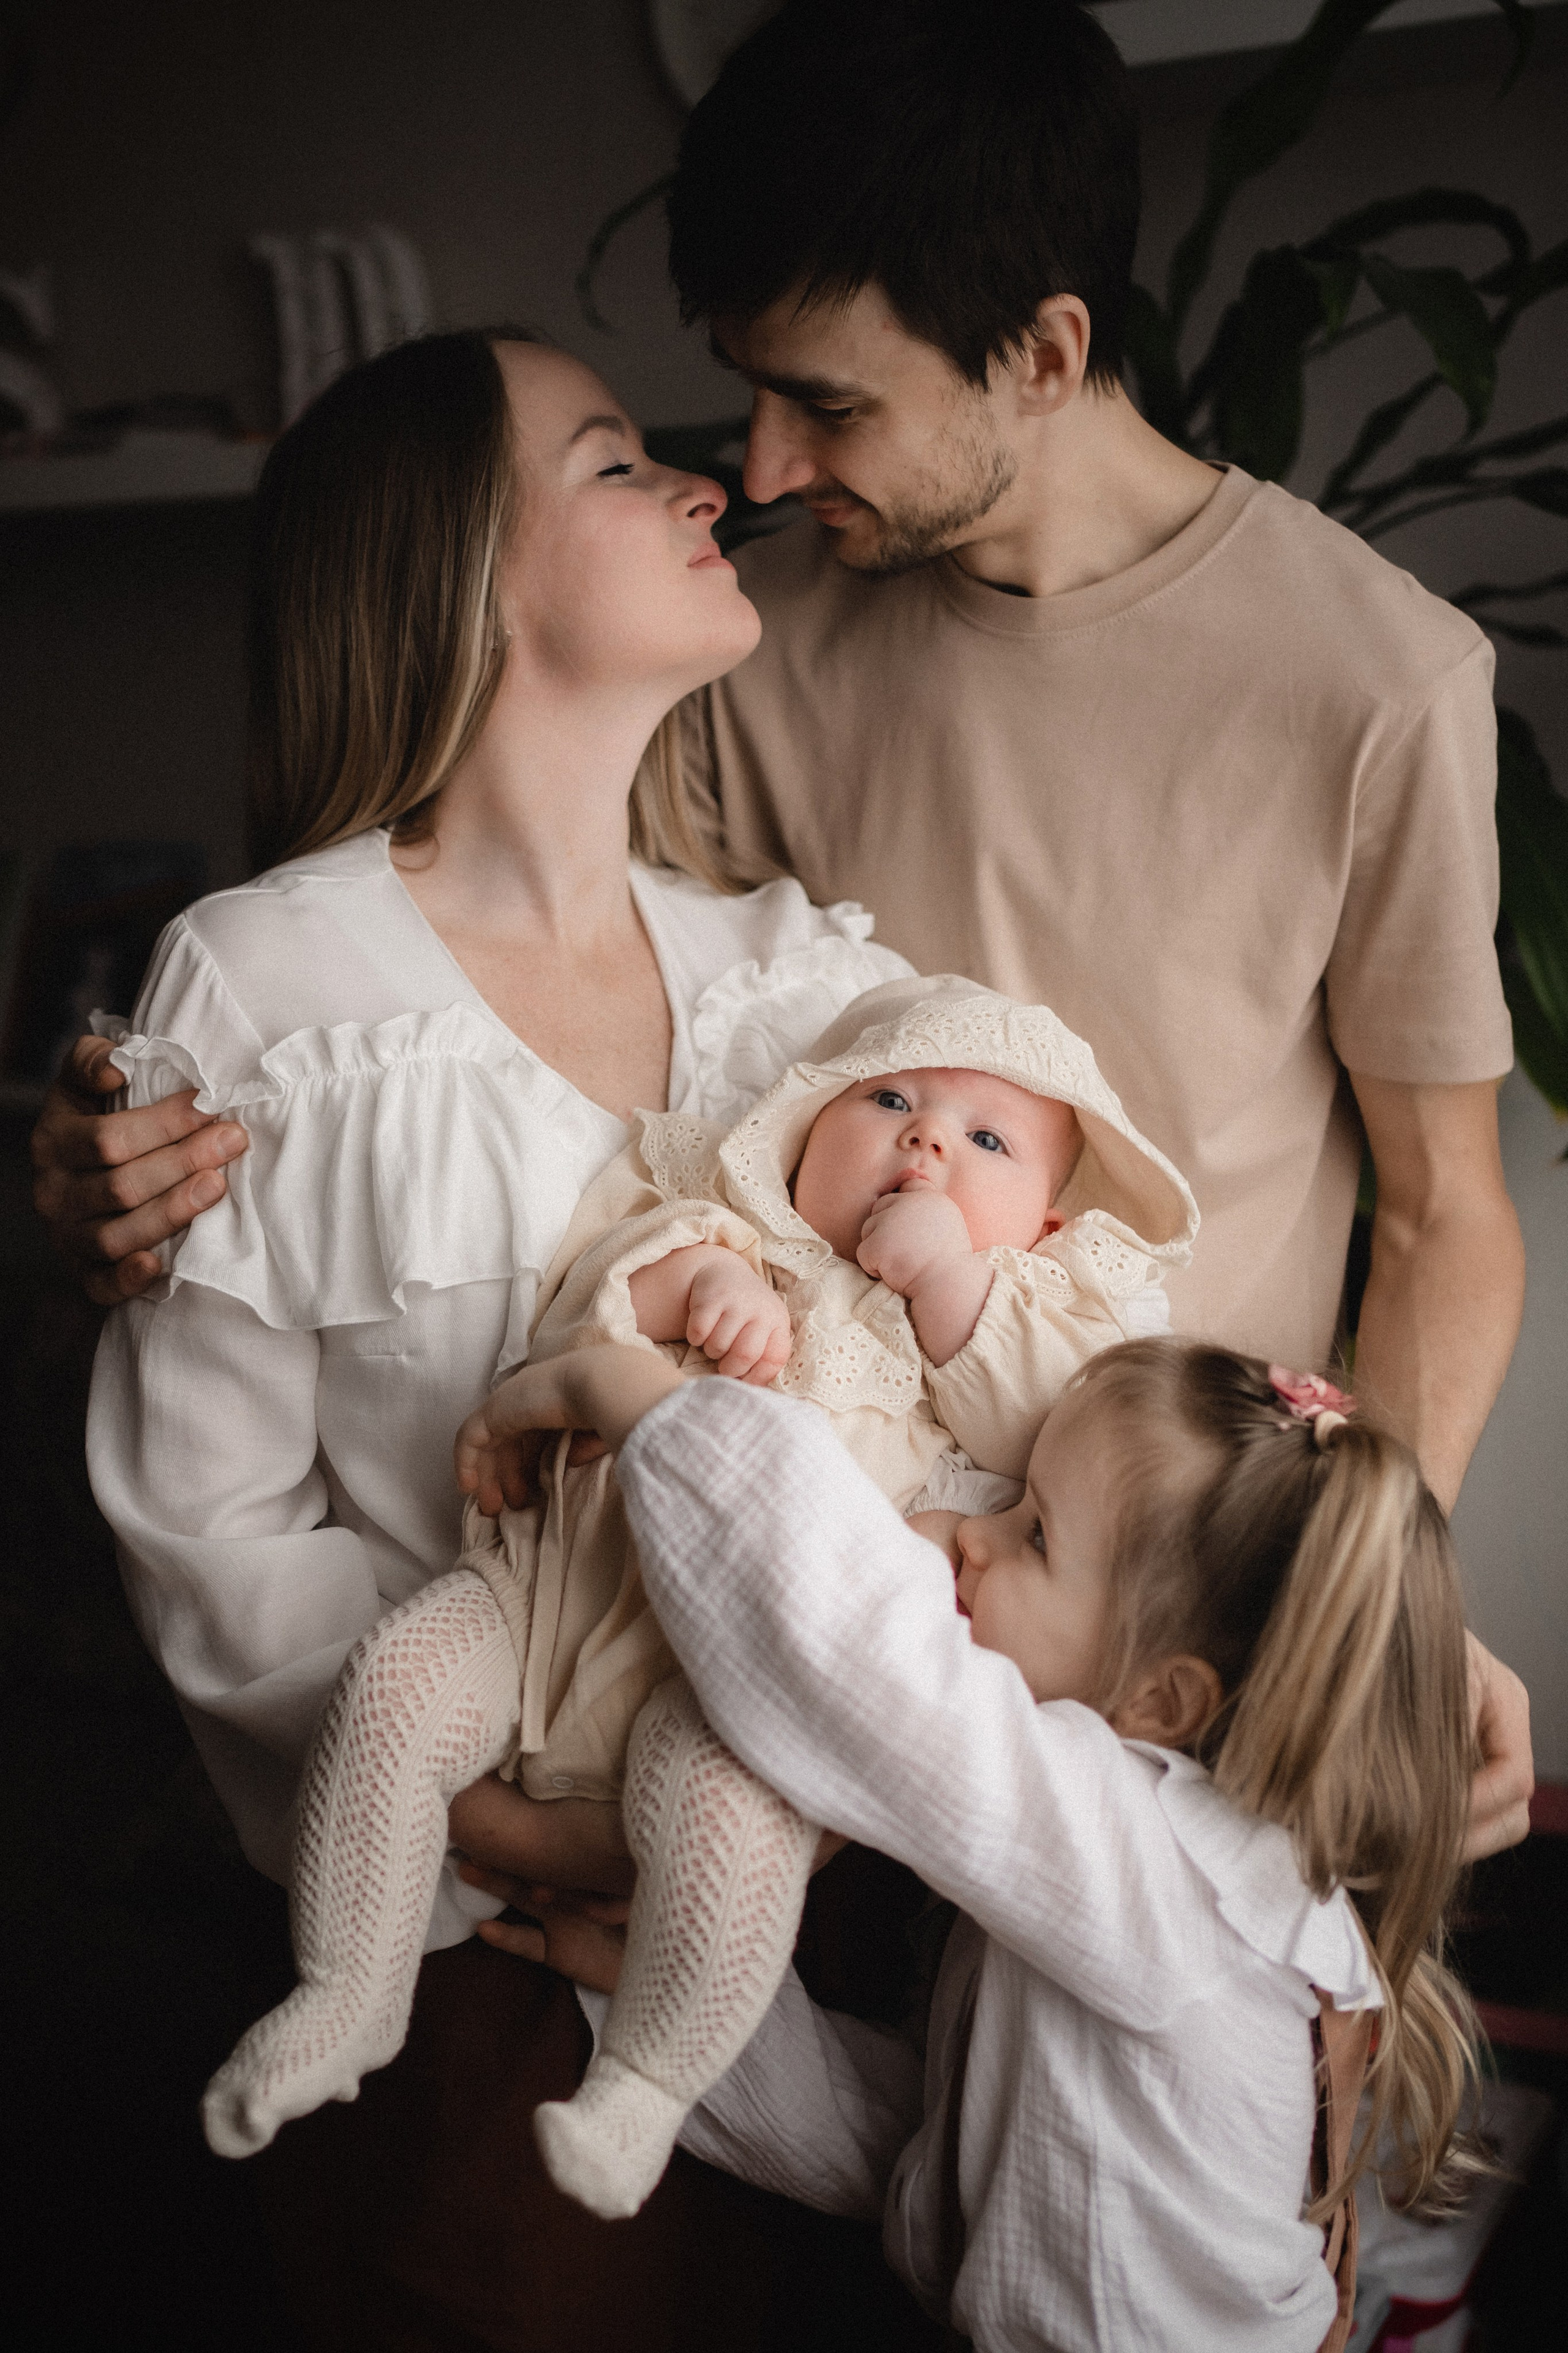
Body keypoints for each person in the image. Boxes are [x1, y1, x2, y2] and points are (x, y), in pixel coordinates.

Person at [31, 0, 1533, 1855]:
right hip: (824, 1650)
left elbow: (1450, 1213)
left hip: (1181, 1672)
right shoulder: (753, 645)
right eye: (746, 389)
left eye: (829, 402)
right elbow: (492, 987)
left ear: (1046, 352)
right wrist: (150, 1150)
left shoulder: (1381, 683)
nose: (757, 468)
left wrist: (1374, 1603)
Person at [78, 325, 949, 2350]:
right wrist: (500, 1832)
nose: (705, 484)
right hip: (465, 1977)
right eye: (617, 461)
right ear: (465, 565)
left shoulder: (798, 980)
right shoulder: (269, 976)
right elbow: (206, 1528)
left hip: (819, 1925)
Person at [196, 973, 1196, 2219]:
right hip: (535, 1602)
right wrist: (687, 1293)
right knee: (389, 1689)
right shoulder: (716, 1219)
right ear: (802, 1129)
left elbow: (1044, 1408)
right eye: (889, 1097)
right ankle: (344, 1991)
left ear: (1042, 1230)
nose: (928, 1137)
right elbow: (578, 1312)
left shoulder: (994, 1368)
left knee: (733, 1836)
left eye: (985, 1140)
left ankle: (647, 2084)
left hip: (724, 1694)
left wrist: (948, 1284)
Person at [458, 1332, 1485, 2353]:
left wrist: (642, 1398)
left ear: (1164, 1699)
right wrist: (682, 1992)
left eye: (1035, 1532)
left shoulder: (1165, 1869)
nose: (977, 1540)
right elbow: (948, 2150)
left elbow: (869, 1663)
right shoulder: (1184, 1888)